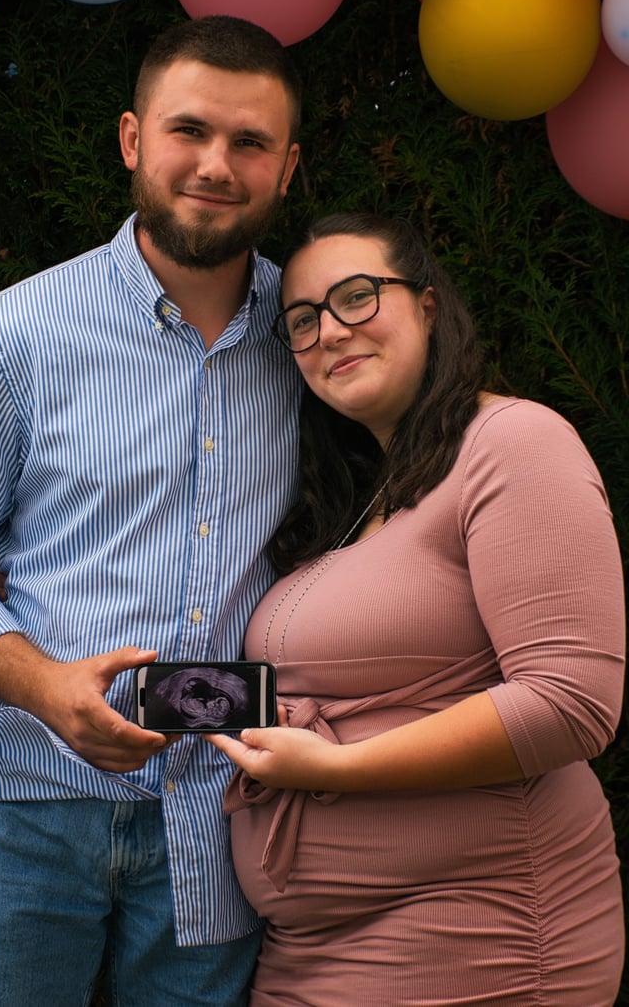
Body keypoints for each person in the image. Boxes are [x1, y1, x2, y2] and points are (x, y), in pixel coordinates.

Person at [0, 15, 302, 1007]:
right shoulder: (20, 332)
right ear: (133, 139)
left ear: (286, 167)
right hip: (19, 801)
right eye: (189, 130)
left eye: (249, 141)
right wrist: (48, 688)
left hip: (222, 817)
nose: (216, 164)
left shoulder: (314, 344)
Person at [207, 212, 626, 1005]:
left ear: (428, 306)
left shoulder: (513, 442)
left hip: (475, 941)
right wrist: (113, 687)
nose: (330, 331)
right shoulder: (364, 501)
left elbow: (571, 702)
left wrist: (338, 768)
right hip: (308, 956)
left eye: (356, 296)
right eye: (303, 320)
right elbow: (329, 692)